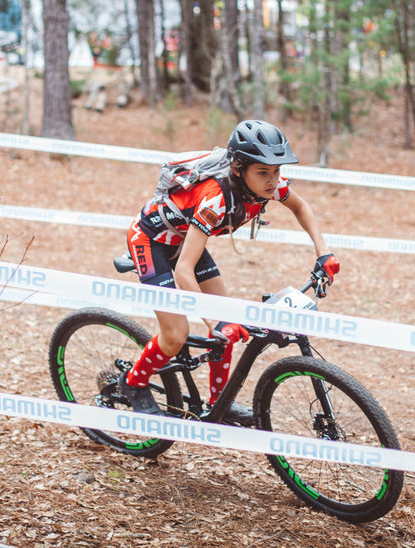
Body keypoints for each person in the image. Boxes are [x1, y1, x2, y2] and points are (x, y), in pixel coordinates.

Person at [122, 119, 340, 425]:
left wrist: (324, 253)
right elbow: (184, 270)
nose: (272, 180)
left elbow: (302, 208)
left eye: (276, 171)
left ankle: (219, 403)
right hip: (151, 241)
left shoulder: (270, 185)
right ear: (238, 169)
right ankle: (133, 383)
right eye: (263, 172)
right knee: (176, 335)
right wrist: (214, 322)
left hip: (184, 240)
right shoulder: (215, 197)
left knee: (229, 322)